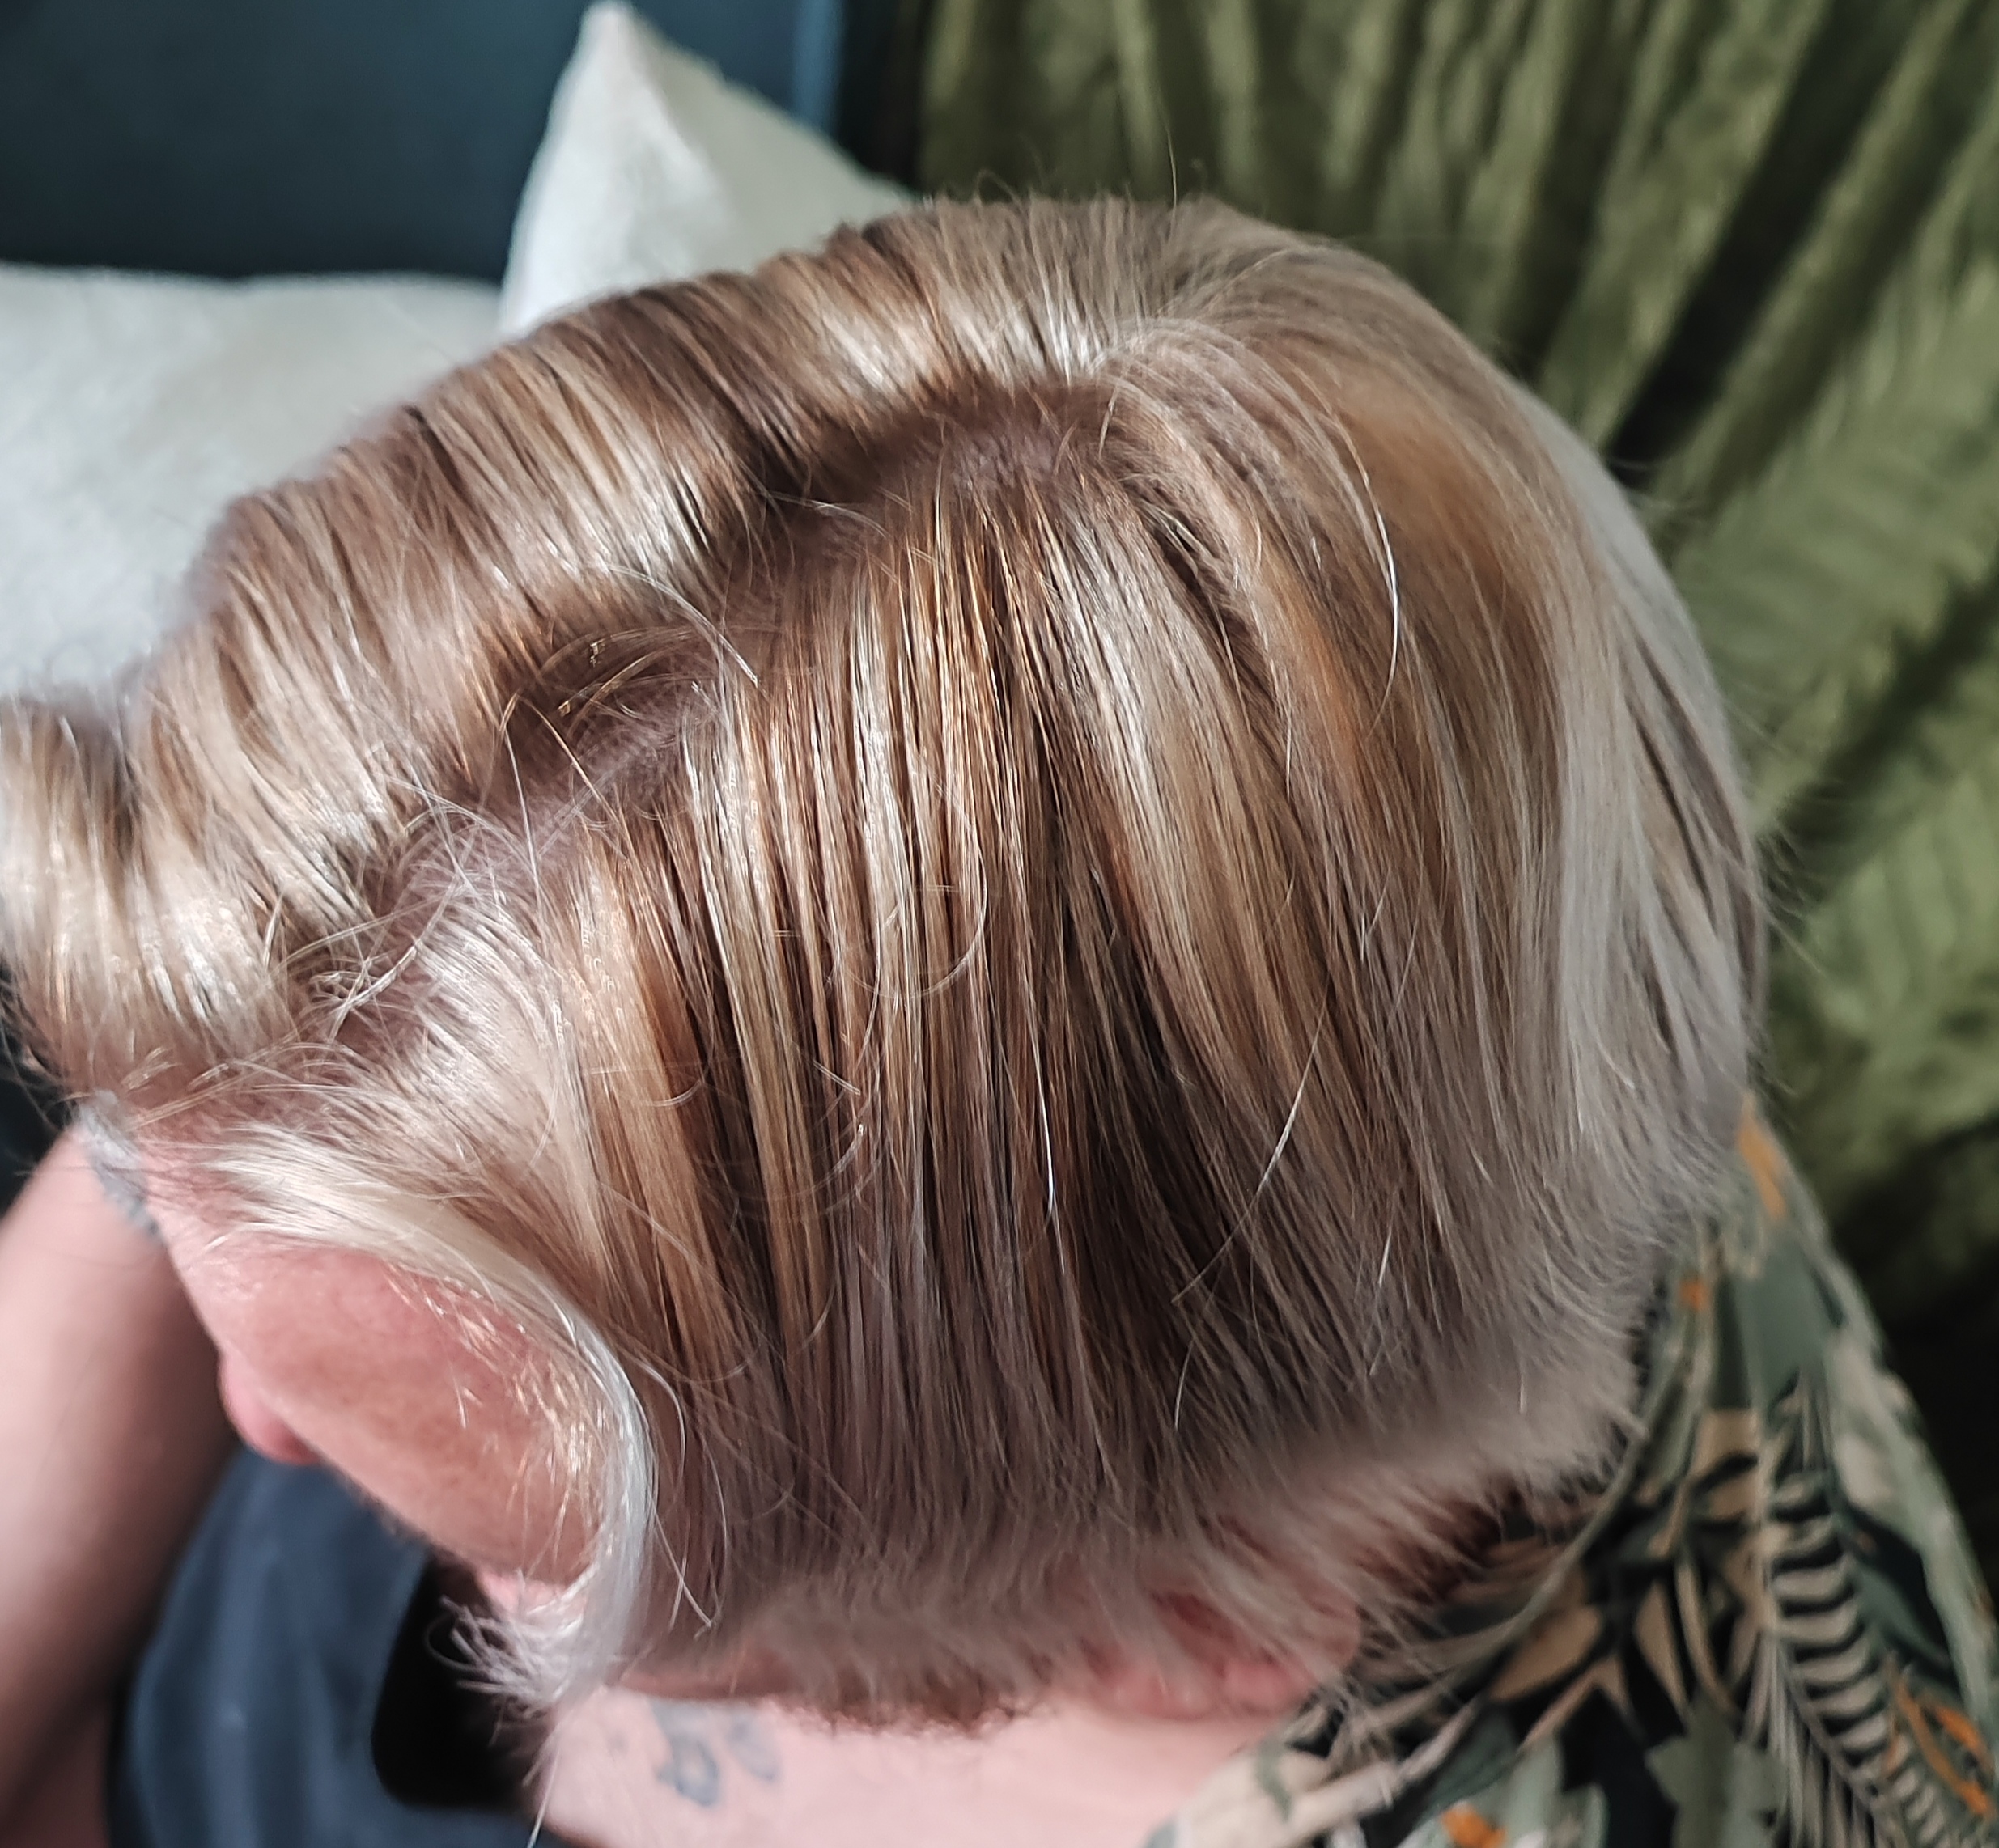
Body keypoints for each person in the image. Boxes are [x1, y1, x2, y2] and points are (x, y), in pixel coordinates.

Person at [0, 197, 1989, 1848]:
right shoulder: (1474, 948)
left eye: (538, 1564)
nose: (266, 1419)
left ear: (1155, 1620)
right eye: (164, 1184)